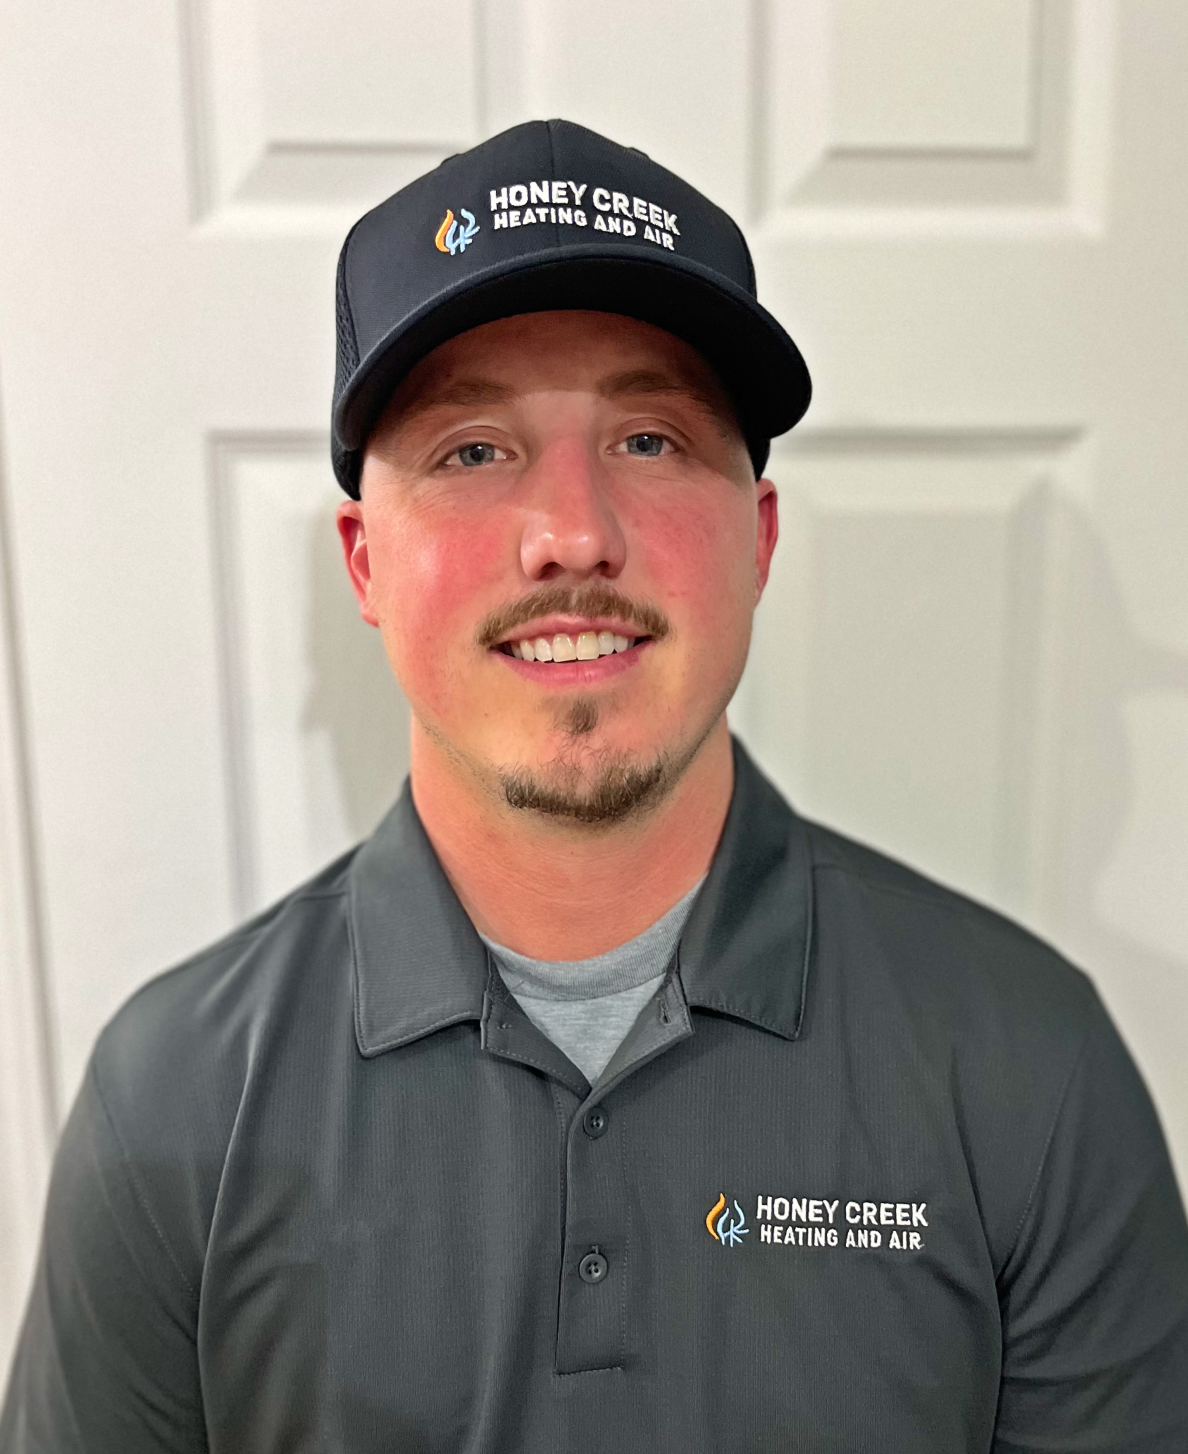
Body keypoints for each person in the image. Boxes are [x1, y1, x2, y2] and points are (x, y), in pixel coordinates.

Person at [2, 117, 1186, 1454]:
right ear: (364, 562)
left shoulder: (1029, 1068)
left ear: (760, 535)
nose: (573, 531)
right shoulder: (171, 1111)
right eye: (472, 449)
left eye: (649, 439)